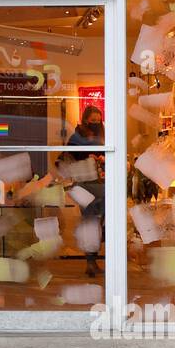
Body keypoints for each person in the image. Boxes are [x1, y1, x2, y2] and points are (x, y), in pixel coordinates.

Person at [66, 105, 105, 277]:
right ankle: (91, 262)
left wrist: (102, 158)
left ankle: (93, 260)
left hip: (98, 183)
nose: (96, 123)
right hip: (84, 184)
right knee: (90, 222)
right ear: (86, 119)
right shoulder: (77, 135)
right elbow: (69, 156)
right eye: (93, 120)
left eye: (98, 120)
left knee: (99, 221)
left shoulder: (101, 136)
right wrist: (86, 158)